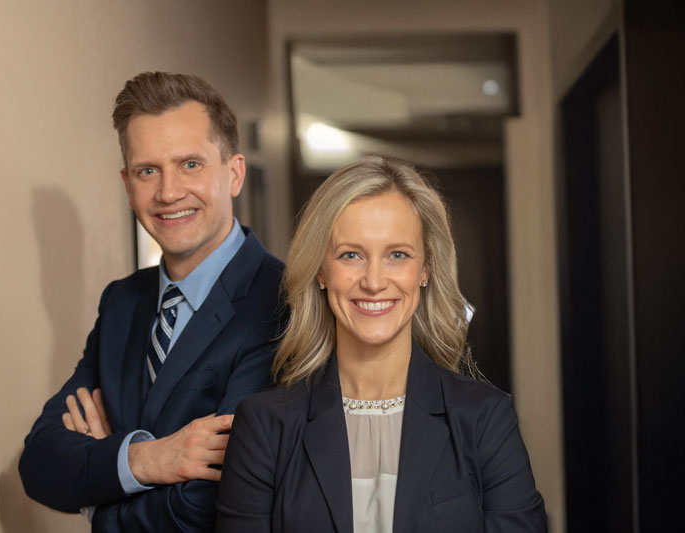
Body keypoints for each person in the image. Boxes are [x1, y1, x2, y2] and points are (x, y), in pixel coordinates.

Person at [216, 156, 546, 532]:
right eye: (351, 255)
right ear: (321, 270)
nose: (374, 281)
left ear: (425, 270)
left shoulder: (486, 417)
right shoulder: (263, 427)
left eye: (397, 255)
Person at [19, 72, 284, 531]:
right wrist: (147, 459)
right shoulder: (122, 303)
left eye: (190, 164)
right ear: (128, 185)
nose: (168, 192)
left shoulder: (282, 302)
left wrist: (99, 502)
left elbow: (213, 505)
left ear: (235, 173)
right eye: (148, 171)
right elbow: (40, 464)